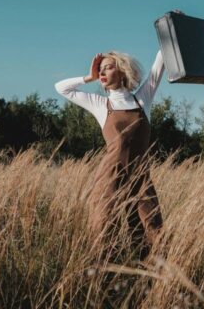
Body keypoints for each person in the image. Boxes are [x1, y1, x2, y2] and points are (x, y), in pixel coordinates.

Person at [55, 49, 165, 260]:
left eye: (108, 67)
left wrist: (170, 27)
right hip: (110, 176)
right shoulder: (100, 104)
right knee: (104, 228)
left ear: (122, 71)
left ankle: (151, 281)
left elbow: (158, 68)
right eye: (100, 69)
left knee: (151, 230)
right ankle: (104, 281)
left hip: (140, 177)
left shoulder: (142, 100)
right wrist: (89, 77)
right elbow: (61, 88)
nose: (103, 72)